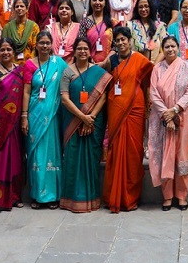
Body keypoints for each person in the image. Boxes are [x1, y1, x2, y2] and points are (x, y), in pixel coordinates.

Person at [101, 27, 153, 213]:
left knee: (132, 153)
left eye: (124, 39)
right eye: (118, 40)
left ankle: (130, 197)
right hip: (115, 109)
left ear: (130, 41)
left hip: (135, 110)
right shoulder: (112, 60)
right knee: (115, 152)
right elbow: (100, 75)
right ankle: (113, 196)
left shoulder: (140, 59)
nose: (121, 43)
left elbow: (150, 79)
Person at [141, 35, 188, 210]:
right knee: (165, 156)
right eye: (167, 47)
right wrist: (166, 114)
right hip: (162, 118)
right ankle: (167, 197)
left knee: (182, 156)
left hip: (183, 116)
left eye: (173, 46)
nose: (170, 49)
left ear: (178, 47)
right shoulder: (157, 69)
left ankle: (182, 196)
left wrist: (175, 110)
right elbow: (154, 92)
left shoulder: (186, 66)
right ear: (162, 50)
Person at [58, 37, 110, 213]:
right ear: (74, 51)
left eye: (85, 49)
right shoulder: (67, 72)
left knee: (91, 161)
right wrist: (82, 117)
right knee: (72, 159)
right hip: (72, 121)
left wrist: (91, 117)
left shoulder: (97, 72)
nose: (82, 52)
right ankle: (70, 200)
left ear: (90, 52)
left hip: (93, 123)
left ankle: (91, 200)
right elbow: (64, 99)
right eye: (79, 49)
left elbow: (103, 95)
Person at [0, 40, 31, 212]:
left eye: (9, 49)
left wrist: (24, 116)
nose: (5, 52)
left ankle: (15, 197)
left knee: (16, 160)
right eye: (2, 50)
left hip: (15, 125)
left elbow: (25, 94)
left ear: (14, 51)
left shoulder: (21, 71)